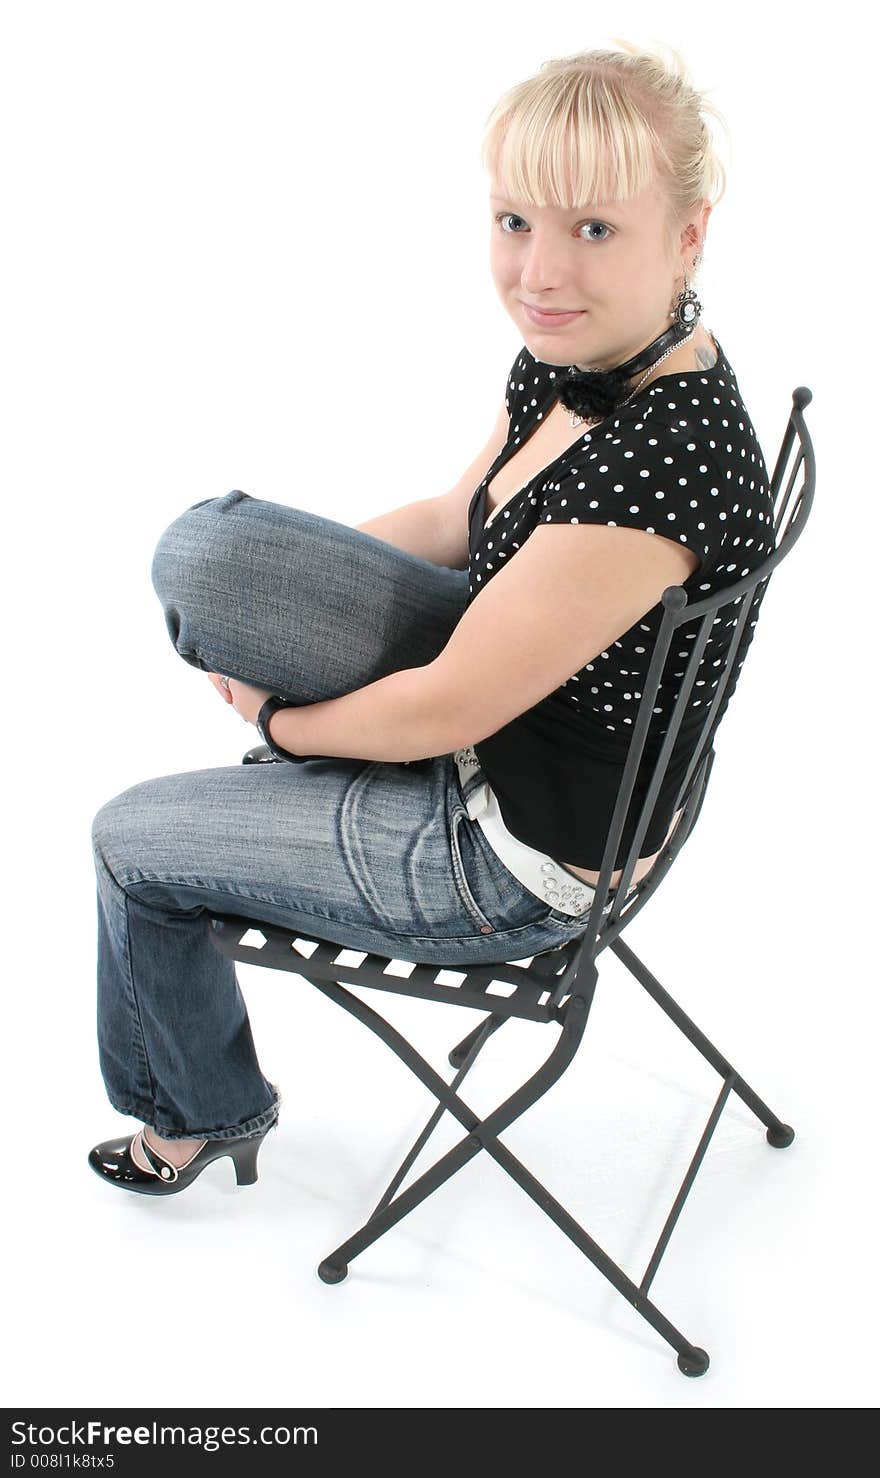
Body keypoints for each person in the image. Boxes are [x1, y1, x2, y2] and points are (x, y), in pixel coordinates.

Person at [88, 41, 775, 1196]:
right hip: (541, 717)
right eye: (515, 221)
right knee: (210, 552)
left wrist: (283, 722)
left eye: (593, 229)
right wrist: (277, 594)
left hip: (509, 849)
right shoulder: (597, 352)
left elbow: (451, 705)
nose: (539, 271)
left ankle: (193, 1113)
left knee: (128, 841)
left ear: (688, 234)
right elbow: (463, 513)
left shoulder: (653, 463)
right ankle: (251, 612)